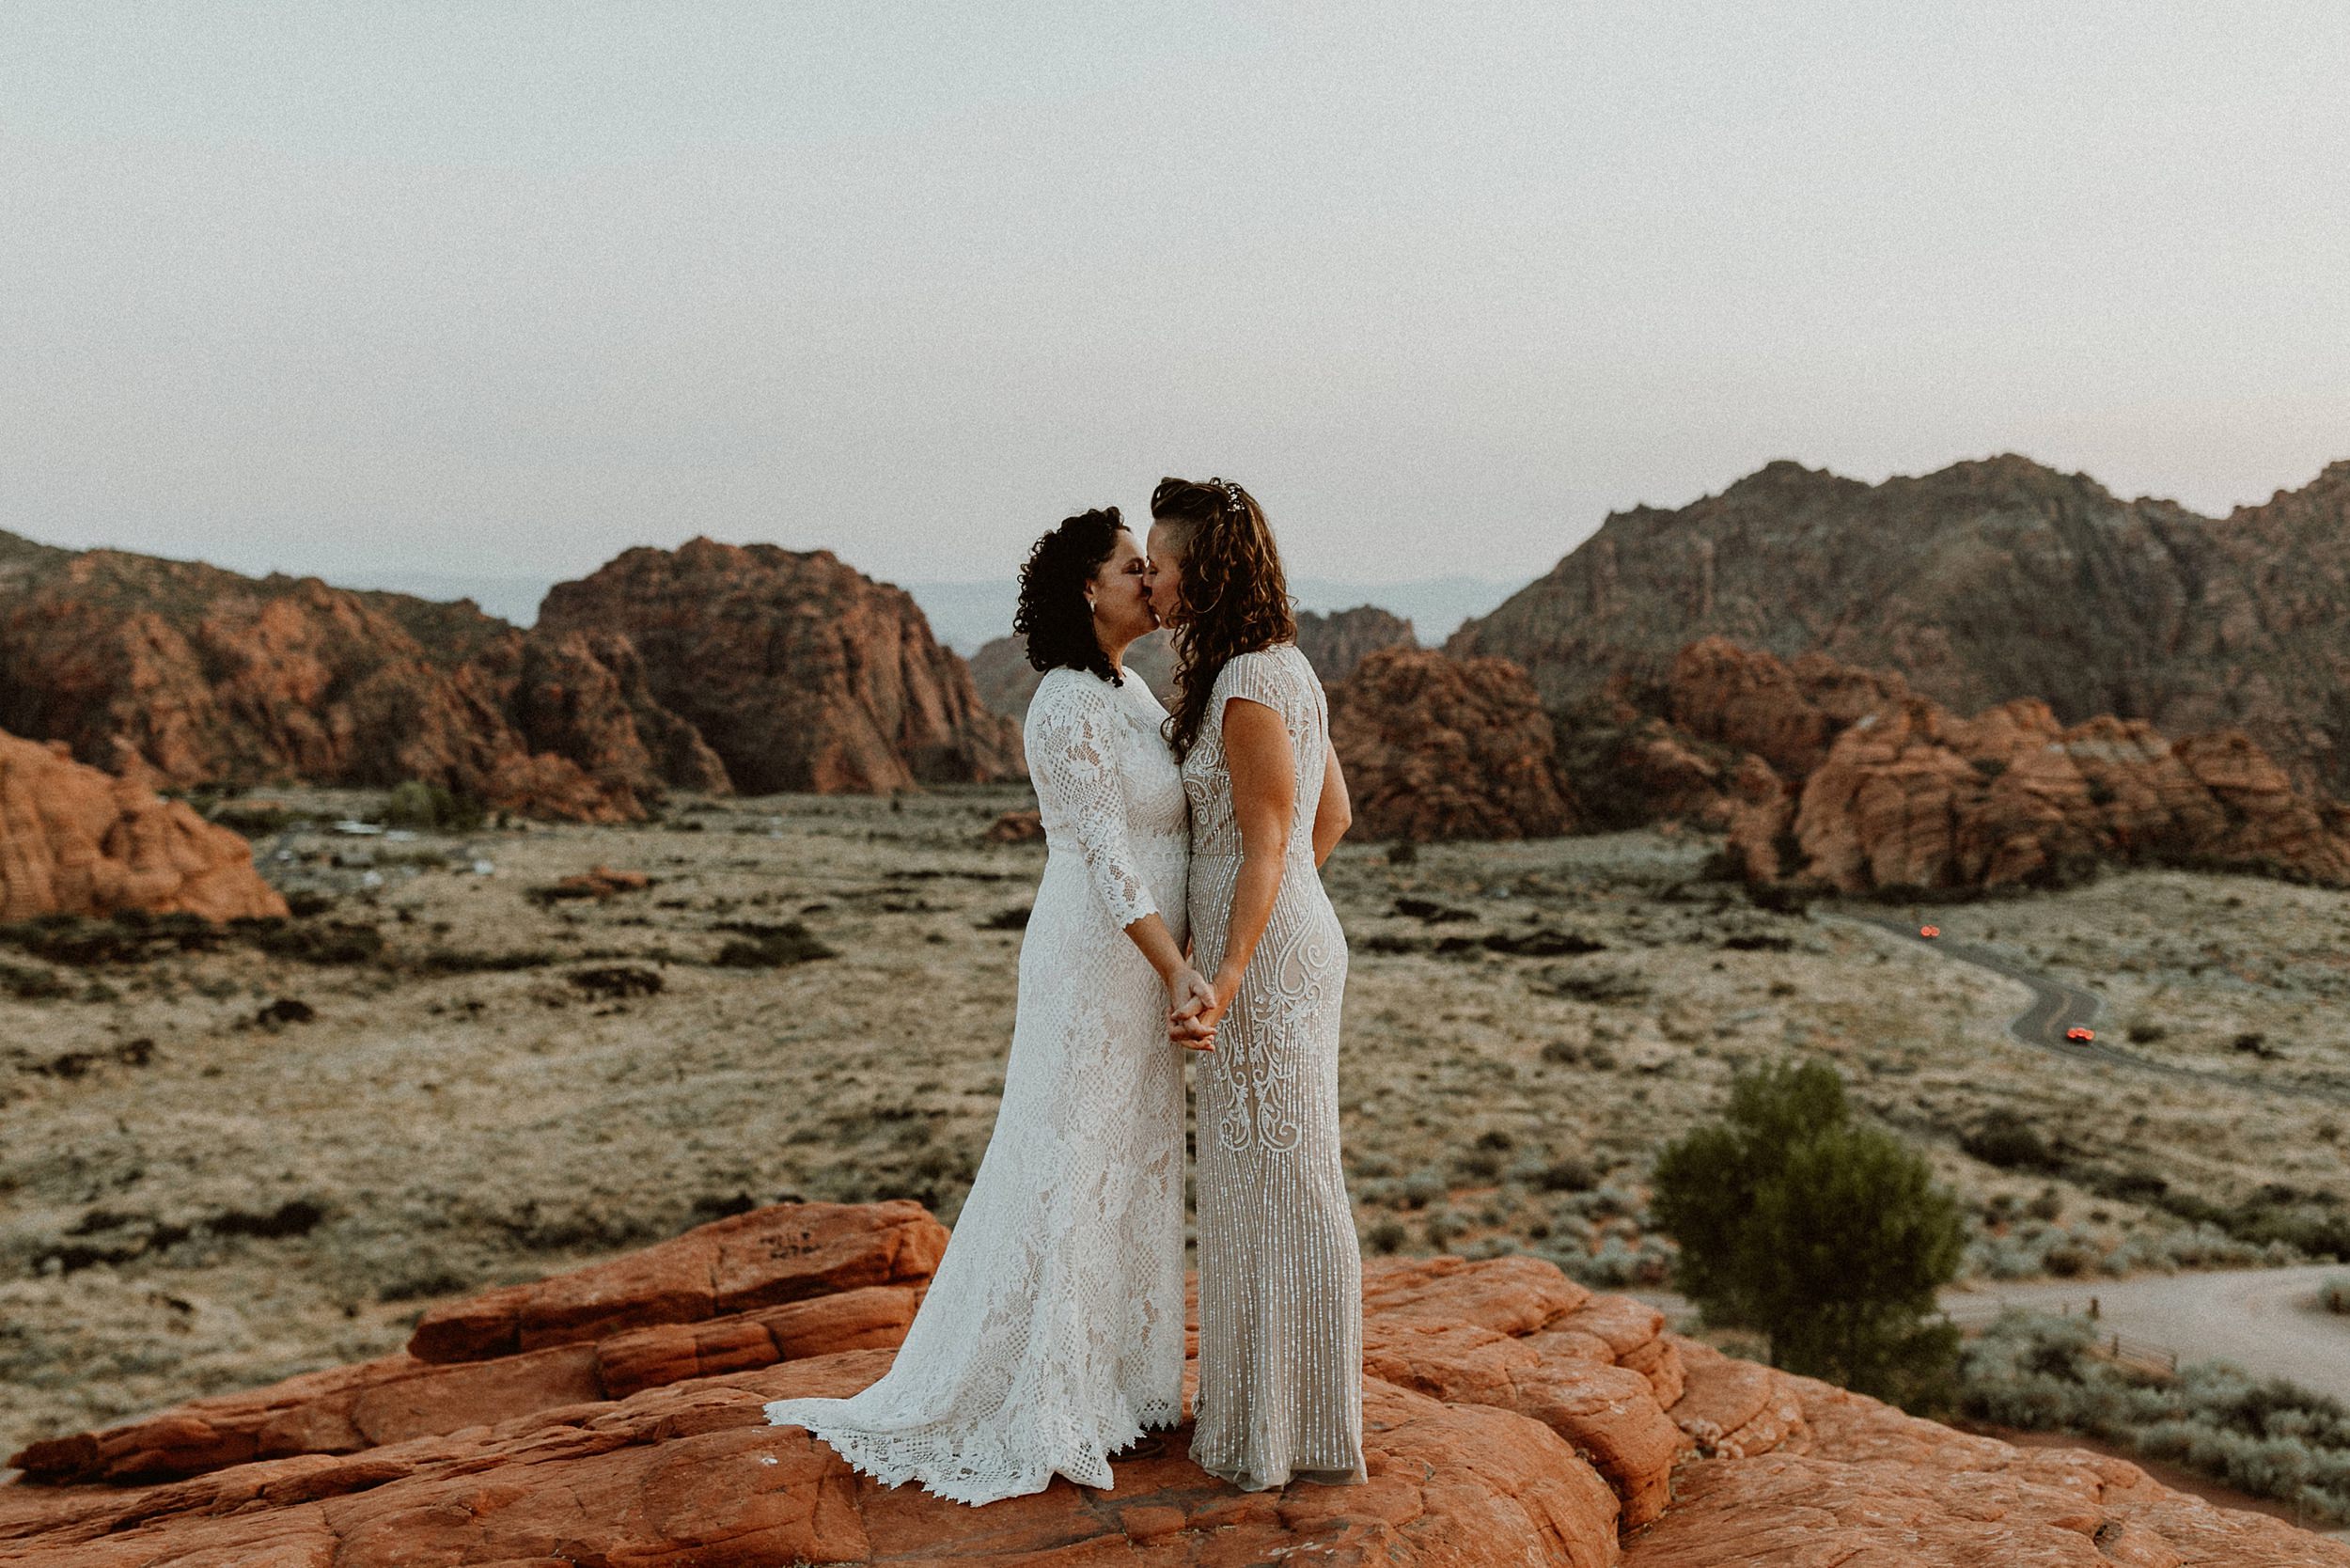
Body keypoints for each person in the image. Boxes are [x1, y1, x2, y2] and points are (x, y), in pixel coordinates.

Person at [762, 508, 1217, 1505]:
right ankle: (1047, 1397)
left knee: (1130, 1153)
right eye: (1131, 568)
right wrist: (1173, 968)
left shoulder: (1130, 689)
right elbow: (1105, 856)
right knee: (1072, 1155)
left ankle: (1117, 1381)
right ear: (1087, 589)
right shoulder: (1062, 705)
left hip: (1144, 965)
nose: (1149, 581)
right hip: (1097, 961)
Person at [1147, 475, 1365, 1493]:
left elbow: (1272, 841)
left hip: (1265, 961)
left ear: (1204, 572)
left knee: (1283, 1180)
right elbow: (1335, 817)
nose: (1151, 580)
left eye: (1160, 564)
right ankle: (1284, 1424)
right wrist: (1278, 906)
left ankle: (1286, 1434)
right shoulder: (1285, 667)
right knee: (1269, 1180)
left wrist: (1229, 974)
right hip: (1284, 938)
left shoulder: (1244, 683)